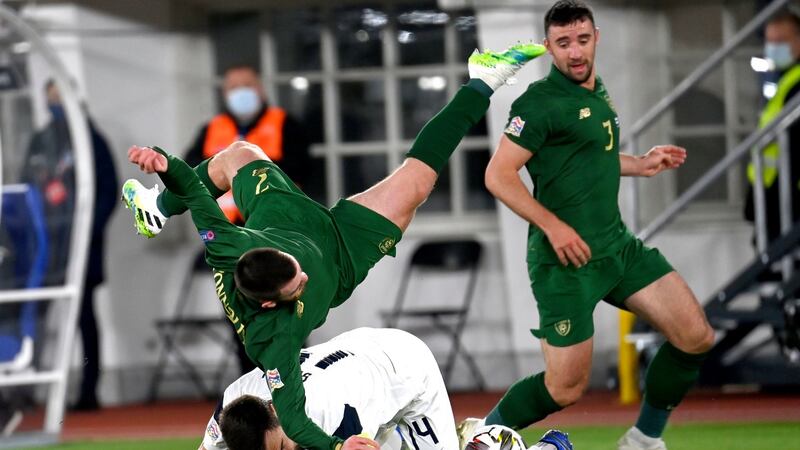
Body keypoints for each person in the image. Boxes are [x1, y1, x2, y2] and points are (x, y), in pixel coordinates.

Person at [122, 43, 546, 450]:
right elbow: (296, 420)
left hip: (286, 217)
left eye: (293, 270)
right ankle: (483, 80)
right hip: (340, 255)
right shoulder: (275, 342)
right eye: (295, 287)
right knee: (418, 183)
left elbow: (196, 195)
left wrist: (161, 164)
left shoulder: (227, 245)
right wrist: (337, 446)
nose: (301, 277)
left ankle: (155, 211)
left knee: (238, 153)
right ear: (272, 304)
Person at [458, 2, 715, 450]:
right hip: (564, 261)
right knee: (565, 388)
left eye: (581, 39)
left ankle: (643, 440)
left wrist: (641, 163)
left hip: (616, 248)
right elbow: (498, 175)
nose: (574, 52)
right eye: (563, 43)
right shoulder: (538, 103)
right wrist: (554, 226)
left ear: (596, 37)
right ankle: (480, 438)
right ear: (549, 47)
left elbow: (590, 158)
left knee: (695, 337)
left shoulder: (597, 91)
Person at [185, 64, 312, 375]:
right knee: (239, 313)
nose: (239, 93)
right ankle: (253, 382)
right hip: (230, 234)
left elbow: (302, 175)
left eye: (246, 85)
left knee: (288, 307)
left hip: (274, 233)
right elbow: (189, 174)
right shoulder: (211, 130)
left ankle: (298, 376)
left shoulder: (285, 125)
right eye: (232, 87)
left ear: (261, 89)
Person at [21, 80, 118, 410]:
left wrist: (86, 232)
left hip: (81, 248)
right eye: (51, 99)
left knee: (84, 317)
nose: (56, 105)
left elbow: (108, 191)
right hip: (46, 247)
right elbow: (26, 187)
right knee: (36, 313)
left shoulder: (93, 141)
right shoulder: (41, 141)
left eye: (61, 98)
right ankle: (27, 388)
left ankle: (89, 392)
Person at [198, 327, 458, 450]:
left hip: (404, 363)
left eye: (280, 449)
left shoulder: (330, 413)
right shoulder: (232, 402)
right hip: (350, 353)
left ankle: (479, 436)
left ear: (276, 410)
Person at [745, 7, 800, 246]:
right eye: (770, 42)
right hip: (777, 201)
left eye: (781, 41)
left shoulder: (796, 85)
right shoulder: (784, 82)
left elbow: (793, 153)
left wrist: (769, 206)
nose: (773, 48)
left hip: (788, 204)